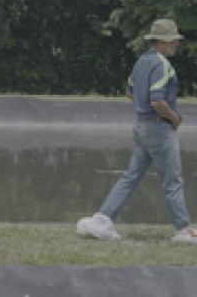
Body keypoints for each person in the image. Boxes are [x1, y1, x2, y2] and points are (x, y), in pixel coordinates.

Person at [76, 19, 197, 242]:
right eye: (173, 40)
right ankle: (183, 230)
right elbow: (158, 101)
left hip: (142, 127)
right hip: (160, 128)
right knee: (173, 181)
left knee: (130, 176)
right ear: (162, 41)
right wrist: (175, 119)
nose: (176, 44)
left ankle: (102, 220)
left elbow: (130, 92)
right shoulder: (162, 65)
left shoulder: (141, 62)